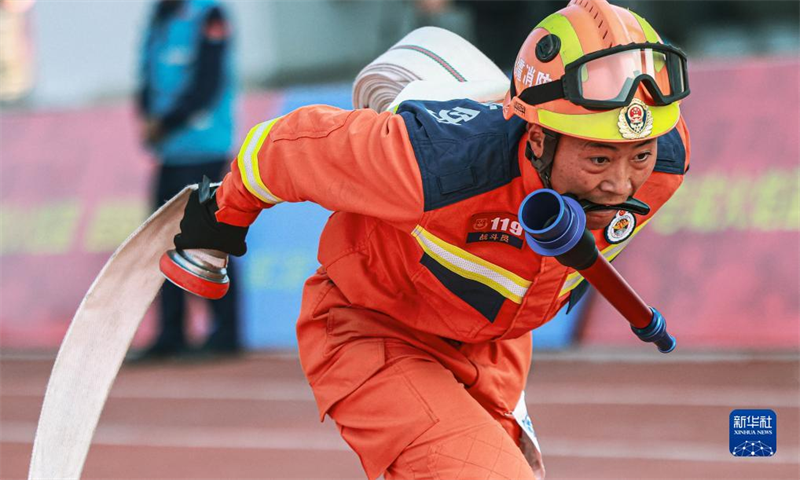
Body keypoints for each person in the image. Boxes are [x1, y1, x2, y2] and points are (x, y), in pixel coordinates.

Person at [170, 0, 691, 477]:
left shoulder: (666, 164)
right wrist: (222, 218)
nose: (620, 184)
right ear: (537, 138)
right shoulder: (436, 165)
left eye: (637, 156)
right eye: (599, 158)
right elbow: (284, 146)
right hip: (371, 328)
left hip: (495, 345)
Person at [134, 0, 239, 360]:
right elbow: (146, 76)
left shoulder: (210, 14)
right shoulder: (160, 16)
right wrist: (147, 116)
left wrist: (164, 123)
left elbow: (207, 83)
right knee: (162, 240)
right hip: (170, 151)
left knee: (209, 238)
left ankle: (225, 333)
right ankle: (171, 333)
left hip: (204, 147)